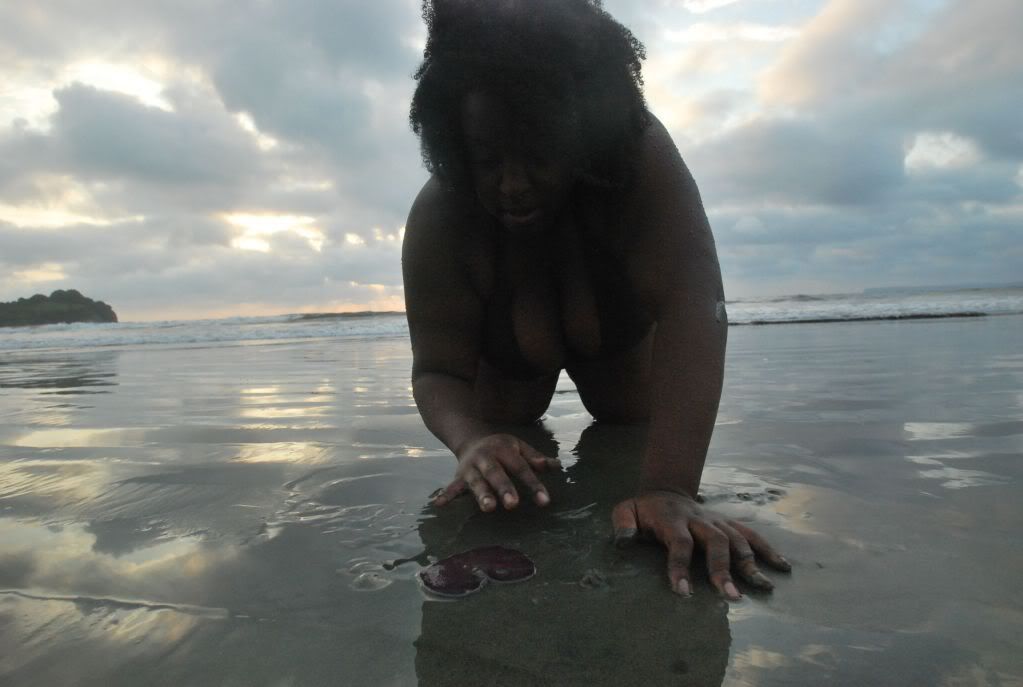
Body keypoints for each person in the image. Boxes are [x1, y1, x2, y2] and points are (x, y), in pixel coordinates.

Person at [402, 0, 789, 600]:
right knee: (507, 425)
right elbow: (436, 370)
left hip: (623, 362)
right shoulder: (441, 215)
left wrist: (670, 485)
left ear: (582, 132)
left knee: (629, 414)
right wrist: (472, 440)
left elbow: (696, 309)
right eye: (487, 159)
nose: (511, 183)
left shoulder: (641, 162)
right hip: (505, 379)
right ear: (456, 143)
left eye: (536, 155)